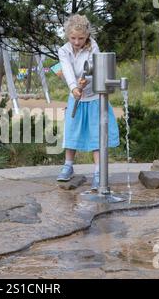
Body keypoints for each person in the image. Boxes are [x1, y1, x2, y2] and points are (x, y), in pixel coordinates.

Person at [56, 14, 120, 190]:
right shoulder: (64, 50)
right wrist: (74, 87)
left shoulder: (93, 47)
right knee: (72, 131)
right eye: (73, 38)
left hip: (94, 98)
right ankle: (68, 166)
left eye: (81, 38)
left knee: (97, 135)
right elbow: (67, 69)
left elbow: (96, 68)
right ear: (68, 36)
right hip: (76, 96)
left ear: (87, 36)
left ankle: (99, 173)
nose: (77, 42)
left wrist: (88, 80)